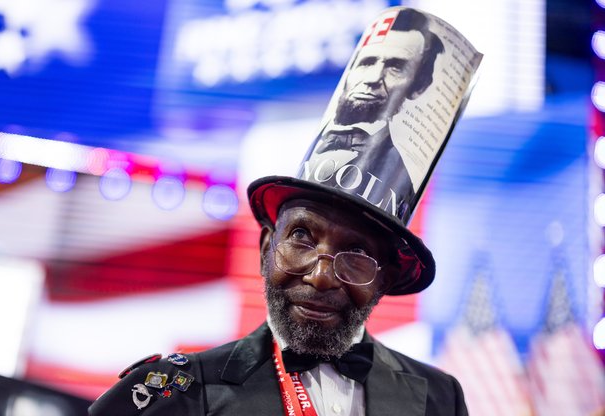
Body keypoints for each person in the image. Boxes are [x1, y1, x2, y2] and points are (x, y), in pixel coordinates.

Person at [89, 6, 474, 416]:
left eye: (358, 255)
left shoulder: (438, 398)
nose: (321, 275)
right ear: (265, 247)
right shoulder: (176, 394)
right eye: (302, 237)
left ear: (386, 278)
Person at [307, 8, 444, 221]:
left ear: (419, 85)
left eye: (395, 67)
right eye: (367, 62)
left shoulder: (400, 176)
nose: (373, 78)